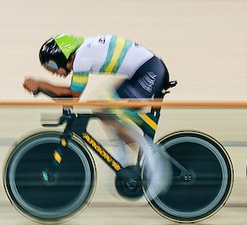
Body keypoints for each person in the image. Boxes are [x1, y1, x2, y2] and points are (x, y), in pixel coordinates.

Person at [23, 34, 174, 198]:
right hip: (145, 70)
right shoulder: (84, 52)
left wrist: (40, 85)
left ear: (64, 56)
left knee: (107, 109)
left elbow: (73, 96)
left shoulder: (82, 57)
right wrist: (42, 88)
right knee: (104, 108)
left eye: (51, 66)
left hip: (150, 71)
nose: (53, 72)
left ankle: (156, 164)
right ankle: (123, 157)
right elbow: (69, 97)